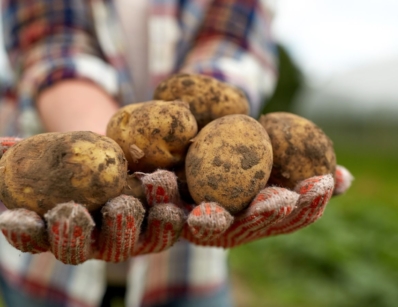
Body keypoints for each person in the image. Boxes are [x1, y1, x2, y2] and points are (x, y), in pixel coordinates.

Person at [0, 1, 278, 306]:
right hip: (47, 273)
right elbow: (52, 45)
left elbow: (230, 46)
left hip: (185, 270)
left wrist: (206, 122)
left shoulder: (196, 126)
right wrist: (105, 144)